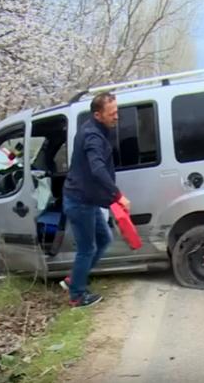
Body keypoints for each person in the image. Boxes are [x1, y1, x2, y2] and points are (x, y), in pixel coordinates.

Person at [63, 92, 131, 307]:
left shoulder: (97, 130)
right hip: (79, 202)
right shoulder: (92, 136)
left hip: (88, 200)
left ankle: (75, 279)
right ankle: (77, 295)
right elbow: (97, 168)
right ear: (98, 115)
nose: (116, 117)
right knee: (87, 249)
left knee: (104, 240)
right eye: (112, 113)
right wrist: (118, 195)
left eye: (117, 111)